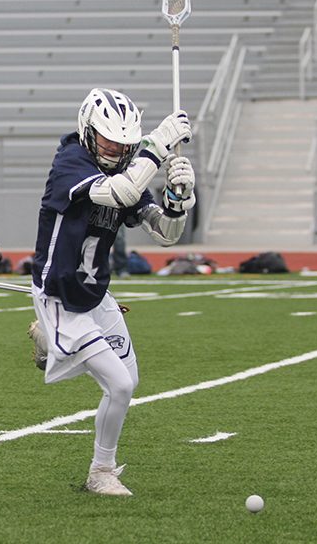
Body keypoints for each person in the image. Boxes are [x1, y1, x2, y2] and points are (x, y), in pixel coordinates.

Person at [28, 88, 195, 496]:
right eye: (109, 140)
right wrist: (156, 147)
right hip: (59, 294)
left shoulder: (129, 167)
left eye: (126, 144)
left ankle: (49, 342)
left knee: (129, 381)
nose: (117, 150)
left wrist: (178, 201)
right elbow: (118, 191)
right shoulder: (71, 161)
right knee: (118, 385)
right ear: (88, 133)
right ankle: (101, 471)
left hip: (95, 293)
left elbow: (166, 234)